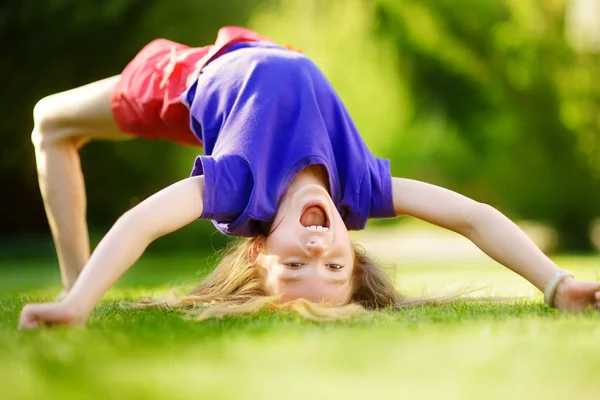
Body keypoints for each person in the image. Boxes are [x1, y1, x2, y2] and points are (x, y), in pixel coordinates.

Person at [18, 27, 600, 329]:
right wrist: (555, 284)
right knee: (54, 126)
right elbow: (473, 217)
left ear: (258, 251)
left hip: (183, 84)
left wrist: (79, 303)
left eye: (295, 265)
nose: (318, 248)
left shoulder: (240, 187)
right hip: (263, 50)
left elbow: (140, 223)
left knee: (49, 122)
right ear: (350, 243)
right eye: (335, 266)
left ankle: (72, 287)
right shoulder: (359, 187)